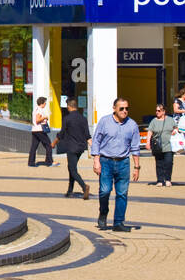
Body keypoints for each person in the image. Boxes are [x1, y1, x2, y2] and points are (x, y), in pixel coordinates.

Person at [92, 97, 141, 232]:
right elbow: (96, 141)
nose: (125, 111)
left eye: (127, 109)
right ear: (114, 109)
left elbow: (135, 148)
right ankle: (103, 212)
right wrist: (96, 160)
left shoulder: (132, 125)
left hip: (123, 162)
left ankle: (118, 222)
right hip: (106, 161)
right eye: (121, 108)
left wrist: (137, 167)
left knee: (122, 193)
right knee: (105, 191)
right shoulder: (105, 122)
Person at [53, 96, 91, 198]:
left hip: (71, 147)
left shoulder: (67, 118)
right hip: (81, 147)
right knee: (72, 167)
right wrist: (93, 147)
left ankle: (84, 186)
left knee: (72, 169)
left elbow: (61, 134)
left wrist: (54, 143)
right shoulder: (83, 119)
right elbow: (87, 135)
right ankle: (70, 191)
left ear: (69, 107)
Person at [146, 103, 178, 186]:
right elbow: (150, 132)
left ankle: (167, 179)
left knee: (168, 162)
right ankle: (160, 180)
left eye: (159, 111)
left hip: (169, 145)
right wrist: (148, 142)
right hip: (158, 146)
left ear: (164, 111)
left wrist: (175, 131)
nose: (157, 112)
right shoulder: (154, 121)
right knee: (159, 163)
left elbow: (176, 128)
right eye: (156, 111)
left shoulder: (170, 120)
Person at [28, 96, 53, 167]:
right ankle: (49, 161)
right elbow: (37, 120)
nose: (45, 104)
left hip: (34, 129)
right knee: (48, 144)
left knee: (34, 146)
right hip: (40, 130)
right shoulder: (39, 109)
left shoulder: (35, 109)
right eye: (45, 103)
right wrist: (45, 117)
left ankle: (31, 162)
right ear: (42, 103)